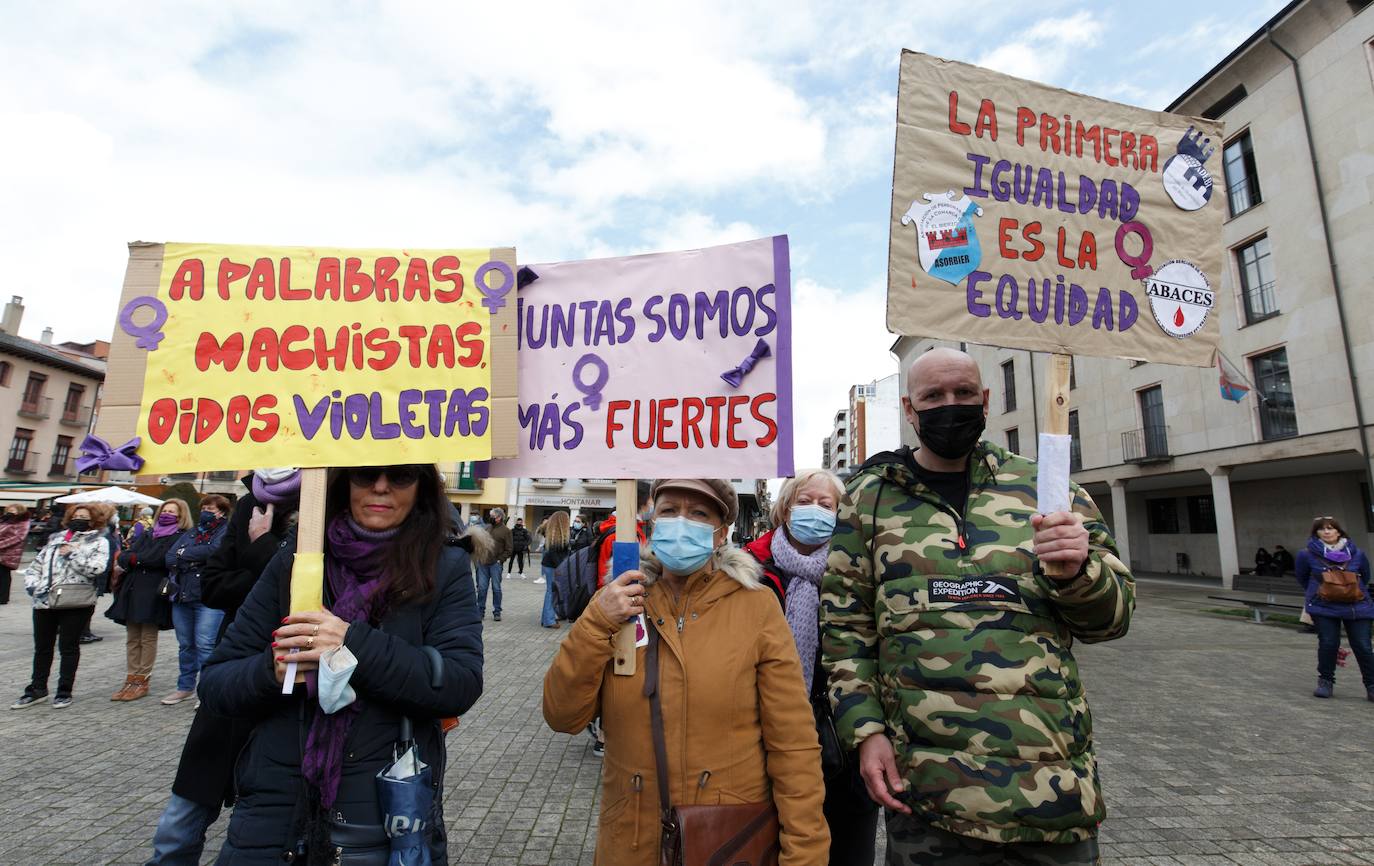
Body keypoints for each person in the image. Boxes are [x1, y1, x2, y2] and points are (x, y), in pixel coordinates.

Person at [821, 348, 1135, 864]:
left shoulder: (1048, 491)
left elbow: (1113, 619)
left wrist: (1080, 573)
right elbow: (846, 629)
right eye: (934, 396)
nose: (951, 405)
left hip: (1050, 793)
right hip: (927, 798)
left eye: (963, 393)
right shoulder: (869, 500)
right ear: (909, 408)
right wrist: (866, 732)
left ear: (985, 400)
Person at [199, 463, 484, 864]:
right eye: (366, 475)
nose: (381, 488)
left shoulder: (445, 567)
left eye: (400, 476)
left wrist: (351, 643)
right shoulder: (297, 560)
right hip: (273, 815)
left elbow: (459, 683)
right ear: (345, 484)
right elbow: (215, 683)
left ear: (421, 489)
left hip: (380, 819)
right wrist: (271, 670)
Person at [543, 477, 830, 865]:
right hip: (631, 841)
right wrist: (596, 622)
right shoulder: (615, 603)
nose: (682, 521)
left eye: (698, 513)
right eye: (669, 511)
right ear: (652, 522)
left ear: (720, 533)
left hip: (726, 841)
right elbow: (563, 715)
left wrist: (804, 853)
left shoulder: (757, 607)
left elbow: (793, 744)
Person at [143, 470, 302, 866]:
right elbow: (213, 586)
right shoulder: (252, 503)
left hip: (297, 676)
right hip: (237, 664)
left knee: (271, 811)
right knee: (185, 811)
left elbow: (309, 592)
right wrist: (267, 566)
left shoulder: (329, 504)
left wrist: (260, 547)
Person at [745, 469, 877, 866]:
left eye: (827, 505)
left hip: (845, 747)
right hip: (763, 740)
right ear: (785, 509)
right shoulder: (748, 571)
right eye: (805, 501)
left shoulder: (861, 571)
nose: (815, 511)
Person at [11, 503, 111, 709]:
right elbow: (36, 564)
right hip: (44, 600)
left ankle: (64, 690)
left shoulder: (99, 542)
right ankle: (37, 689)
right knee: (42, 648)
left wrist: (73, 554)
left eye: (84, 516)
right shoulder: (55, 538)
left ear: (93, 520)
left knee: (68, 647)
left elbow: (97, 569)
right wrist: (34, 585)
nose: (79, 519)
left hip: (75, 600)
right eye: (76, 515)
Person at [107, 498, 188, 701]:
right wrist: (135, 558)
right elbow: (125, 555)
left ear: (180, 515)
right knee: (132, 637)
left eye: (172, 511)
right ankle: (130, 678)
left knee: (147, 637)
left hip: (154, 590)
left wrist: (136, 559)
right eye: (165, 510)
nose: (167, 514)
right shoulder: (149, 533)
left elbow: (160, 559)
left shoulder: (179, 536)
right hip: (134, 587)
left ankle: (142, 679)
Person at [160, 493, 232, 705]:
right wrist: (189, 555)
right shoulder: (192, 532)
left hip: (207, 596)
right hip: (182, 594)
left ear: (222, 512)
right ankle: (185, 687)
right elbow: (170, 556)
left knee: (205, 644)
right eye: (204, 509)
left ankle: (206, 689)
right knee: (185, 645)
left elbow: (214, 551)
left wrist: (185, 554)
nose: (206, 513)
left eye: (211, 510)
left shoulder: (225, 531)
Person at [1295, 516, 1374, 701]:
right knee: (1329, 643)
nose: (1327, 532)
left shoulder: (1357, 553)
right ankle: (1326, 682)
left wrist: (1346, 590)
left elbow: (1366, 576)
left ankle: (1371, 685)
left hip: (1357, 605)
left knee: (1363, 645)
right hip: (1324, 605)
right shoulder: (1306, 554)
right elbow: (1303, 578)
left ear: (1339, 531)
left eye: (1331, 528)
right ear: (1316, 534)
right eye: (1322, 529)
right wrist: (1320, 591)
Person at [477, 507, 512, 621]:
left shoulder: (506, 531)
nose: (491, 518)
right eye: (490, 516)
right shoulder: (487, 527)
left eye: (493, 516)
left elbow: (509, 549)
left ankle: (497, 612)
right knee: (482, 588)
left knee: (496, 589)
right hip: (483, 563)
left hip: (495, 564)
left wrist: (500, 560)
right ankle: (480, 611)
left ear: (499, 517)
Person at [538, 511, 572, 627]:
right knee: (551, 592)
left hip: (549, 565)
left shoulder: (553, 532)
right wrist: (561, 567)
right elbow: (554, 553)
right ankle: (549, 620)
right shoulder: (557, 534)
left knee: (550, 592)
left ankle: (546, 618)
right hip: (553, 566)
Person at [0, 504, 31, 604]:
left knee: (4, 574)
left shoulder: (23, 522)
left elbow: (19, 537)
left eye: (13, 510)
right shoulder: (5, 520)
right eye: (9, 510)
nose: (10, 512)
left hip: (10, 552)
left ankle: (3, 597)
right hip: (2, 550)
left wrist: (2, 544)